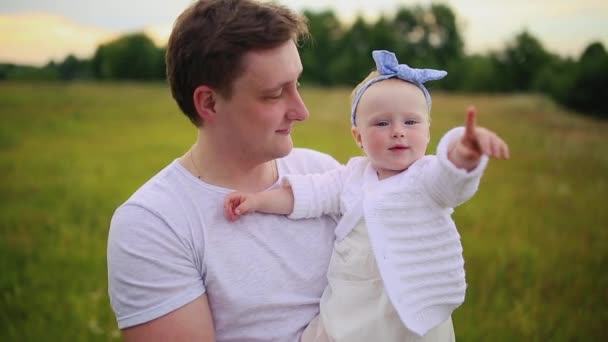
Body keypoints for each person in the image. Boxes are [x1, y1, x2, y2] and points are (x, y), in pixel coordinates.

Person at [224, 50, 510, 341]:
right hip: (352, 302)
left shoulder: (426, 177)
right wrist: (258, 201)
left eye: (411, 122)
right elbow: (308, 195)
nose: (398, 132)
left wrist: (463, 155)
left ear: (428, 131)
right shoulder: (352, 176)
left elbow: (451, 183)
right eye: (382, 123)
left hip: (411, 306)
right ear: (358, 136)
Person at [107, 0, 342, 340]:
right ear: (210, 103)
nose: (301, 111)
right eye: (275, 94)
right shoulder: (154, 223)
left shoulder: (324, 174)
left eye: (298, 85)